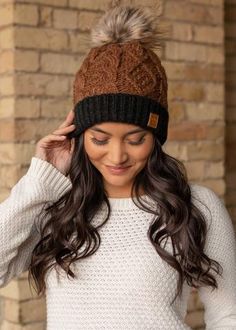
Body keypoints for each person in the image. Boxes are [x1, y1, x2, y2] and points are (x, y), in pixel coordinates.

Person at [0, 4, 236, 330]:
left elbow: (228, 315)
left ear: (156, 136)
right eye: (100, 139)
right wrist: (39, 181)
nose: (117, 156)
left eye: (135, 139)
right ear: (79, 136)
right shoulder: (56, 206)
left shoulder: (196, 206)